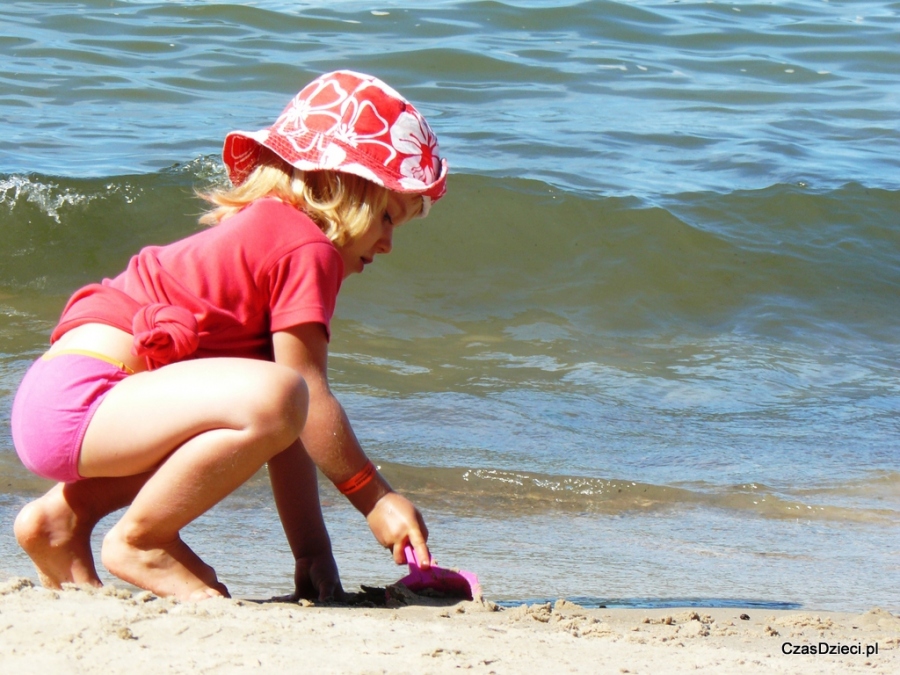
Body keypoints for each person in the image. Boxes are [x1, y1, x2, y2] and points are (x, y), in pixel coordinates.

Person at [10, 70, 448, 602]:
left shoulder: (267, 232)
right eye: (385, 217)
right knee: (288, 393)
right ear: (337, 186)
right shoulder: (305, 246)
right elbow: (302, 393)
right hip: (87, 401)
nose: (387, 243)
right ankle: (142, 542)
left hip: (64, 400)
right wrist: (373, 496)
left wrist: (312, 553)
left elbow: (286, 431)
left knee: (277, 404)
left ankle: (60, 522)